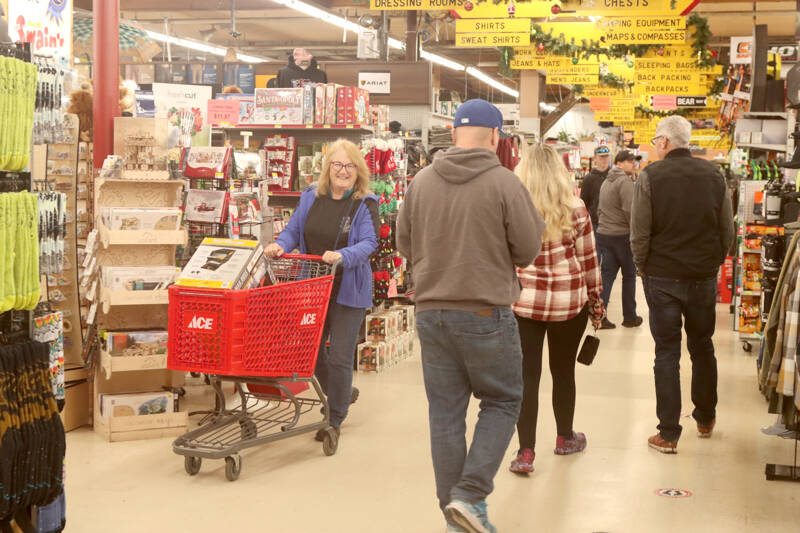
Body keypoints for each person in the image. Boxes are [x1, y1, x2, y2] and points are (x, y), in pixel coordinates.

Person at [397, 99, 544, 533]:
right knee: (502, 401)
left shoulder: (420, 182)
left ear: (454, 134)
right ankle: (469, 496)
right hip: (485, 313)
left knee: (445, 413)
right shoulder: (505, 183)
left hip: (431, 312)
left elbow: (405, 243)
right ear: (496, 137)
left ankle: (457, 514)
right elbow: (529, 249)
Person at [630, 116, 735, 454]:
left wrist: (643, 267)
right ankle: (705, 418)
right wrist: (714, 262)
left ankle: (669, 433)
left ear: (664, 142)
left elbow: (640, 232)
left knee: (667, 353)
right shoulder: (714, 175)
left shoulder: (650, 176)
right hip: (702, 277)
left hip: (662, 277)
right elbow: (727, 231)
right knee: (703, 347)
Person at [265, 138, 379, 440]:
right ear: (328, 168)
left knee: (341, 356)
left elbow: (369, 243)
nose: (343, 171)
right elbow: (294, 230)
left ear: (358, 171)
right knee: (310, 351)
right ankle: (340, 390)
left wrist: (343, 256)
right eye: (338, 165)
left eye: (350, 166)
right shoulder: (310, 197)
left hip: (349, 289)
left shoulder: (364, 204)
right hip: (314, 286)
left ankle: (335, 415)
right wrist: (280, 245)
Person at [509, 143, 605, 474]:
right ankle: (565, 437)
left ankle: (525, 452)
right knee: (563, 371)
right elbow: (590, 260)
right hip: (569, 302)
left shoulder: (513, 206)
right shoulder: (576, 208)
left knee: (526, 376)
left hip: (524, 303)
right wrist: (596, 303)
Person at [596, 150, 643, 330]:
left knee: (607, 276)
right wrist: (636, 233)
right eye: (630, 161)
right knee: (629, 276)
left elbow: (599, 209)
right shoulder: (624, 182)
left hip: (605, 234)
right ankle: (630, 317)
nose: (633, 164)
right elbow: (631, 211)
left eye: (634, 161)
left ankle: (599, 316)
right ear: (620, 163)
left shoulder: (607, 181)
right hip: (622, 235)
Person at [579, 145, 611, 234]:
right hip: (595, 224)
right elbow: (584, 202)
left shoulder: (614, 176)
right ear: (595, 159)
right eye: (601, 157)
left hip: (613, 224)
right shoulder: (588, 179)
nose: (604, 159)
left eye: (606, 156)